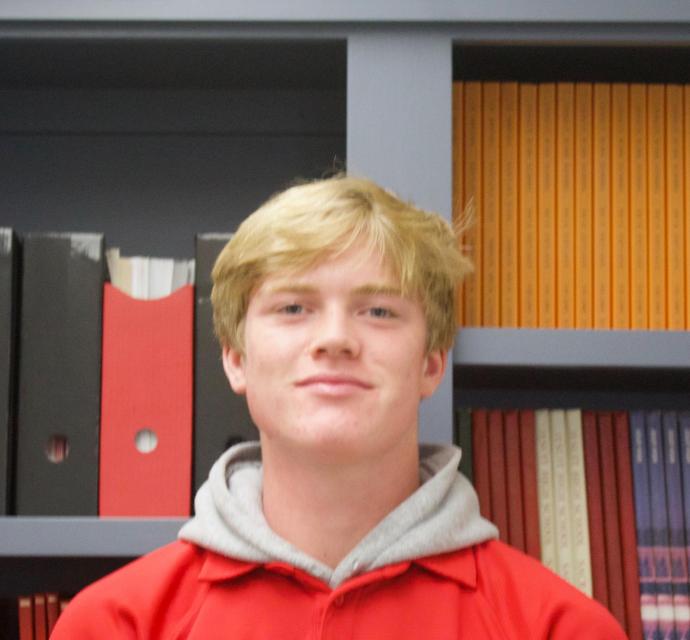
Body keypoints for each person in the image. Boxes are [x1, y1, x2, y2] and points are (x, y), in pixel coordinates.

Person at [52, 175, 626, 638]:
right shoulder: (115, 625)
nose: (335, 339)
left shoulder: (559, 627)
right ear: (235, 358)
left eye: (378, 312)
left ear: (431, 363)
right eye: (294, 308)